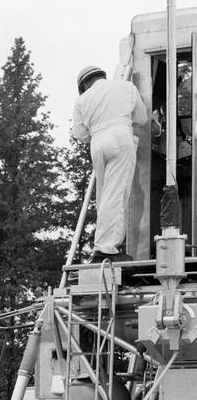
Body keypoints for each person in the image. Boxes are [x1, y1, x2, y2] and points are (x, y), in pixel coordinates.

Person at [71, 63, 148, 262]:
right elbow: (141, 118)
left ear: (84, 85)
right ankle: (106, 249)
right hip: (120, 137)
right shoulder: (125, 87)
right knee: (117, 194)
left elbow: (79, 134)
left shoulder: (82, 100)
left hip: (97, 143)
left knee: (105, 196)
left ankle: (103, 244)